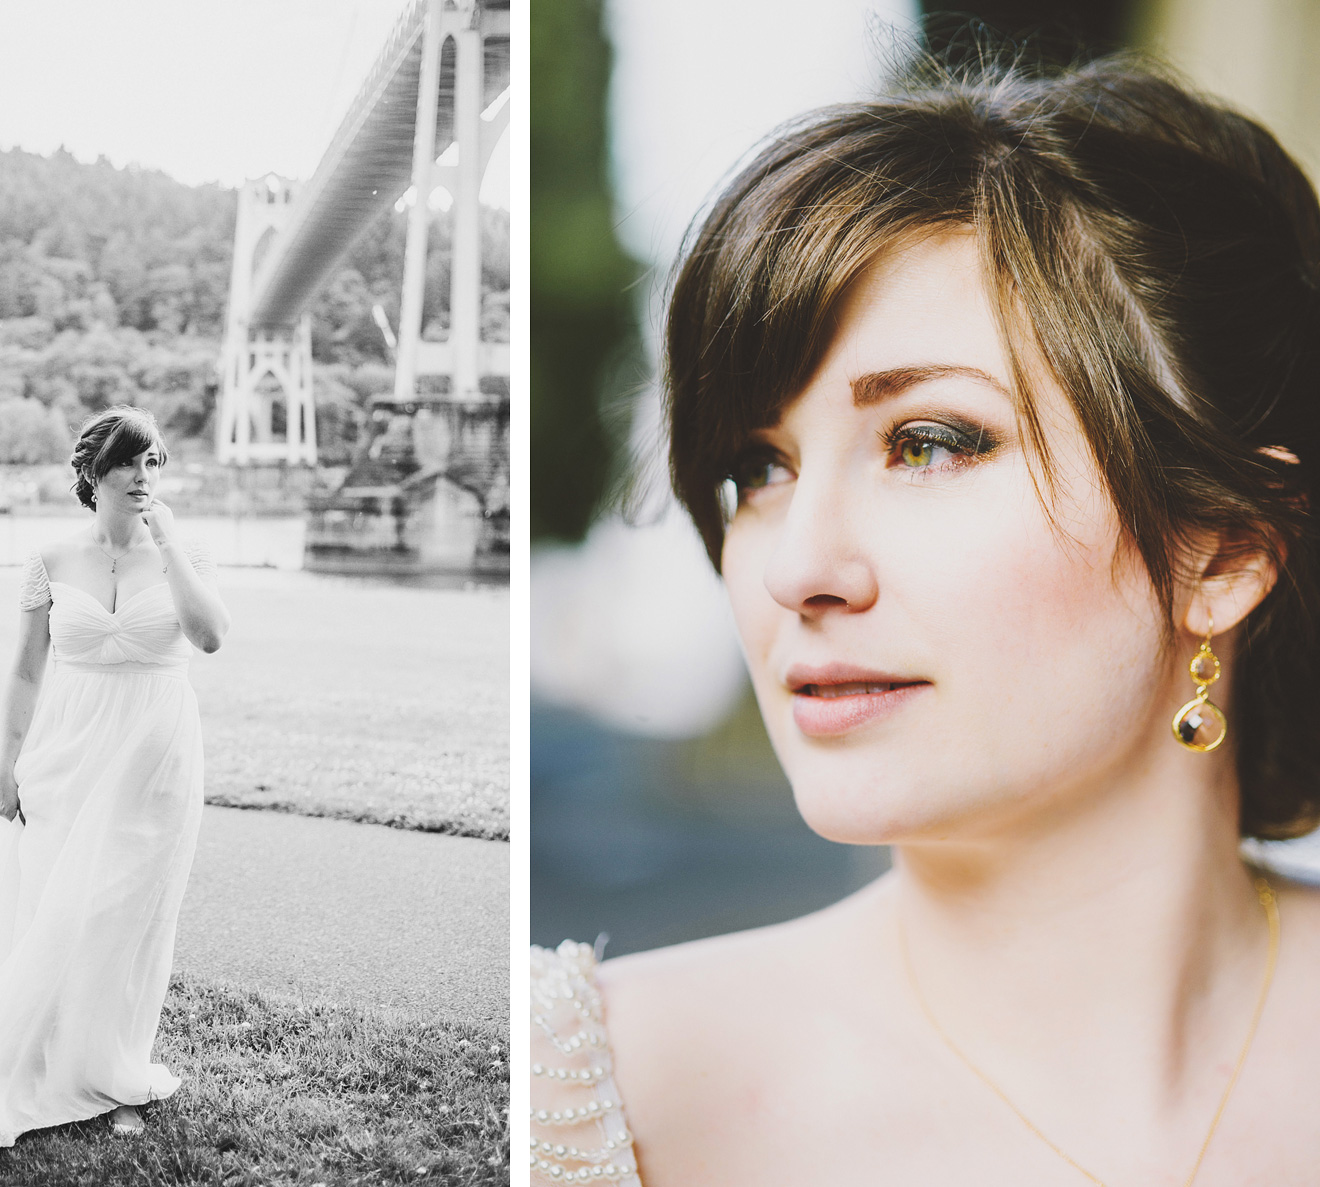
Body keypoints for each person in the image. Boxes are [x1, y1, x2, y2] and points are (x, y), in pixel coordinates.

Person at [531, 50, 1320, 1186]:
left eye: (930, 441)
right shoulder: (589, 1097)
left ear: (1226, 548)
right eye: (758, 467)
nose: (796, 565)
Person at [0, 405, 231, 1146]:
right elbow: (26, 671)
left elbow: (211, 636)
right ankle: (34, 1052)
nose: (142, 475)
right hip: (67, 750)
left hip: (156, 755)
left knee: (126, 914)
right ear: (93, 472)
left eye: (153, 461)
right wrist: (5, 761)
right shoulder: (51, 561)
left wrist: (173, 543)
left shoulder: (184, 554)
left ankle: (109, 1062)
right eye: (128, 461)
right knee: (56, 905)